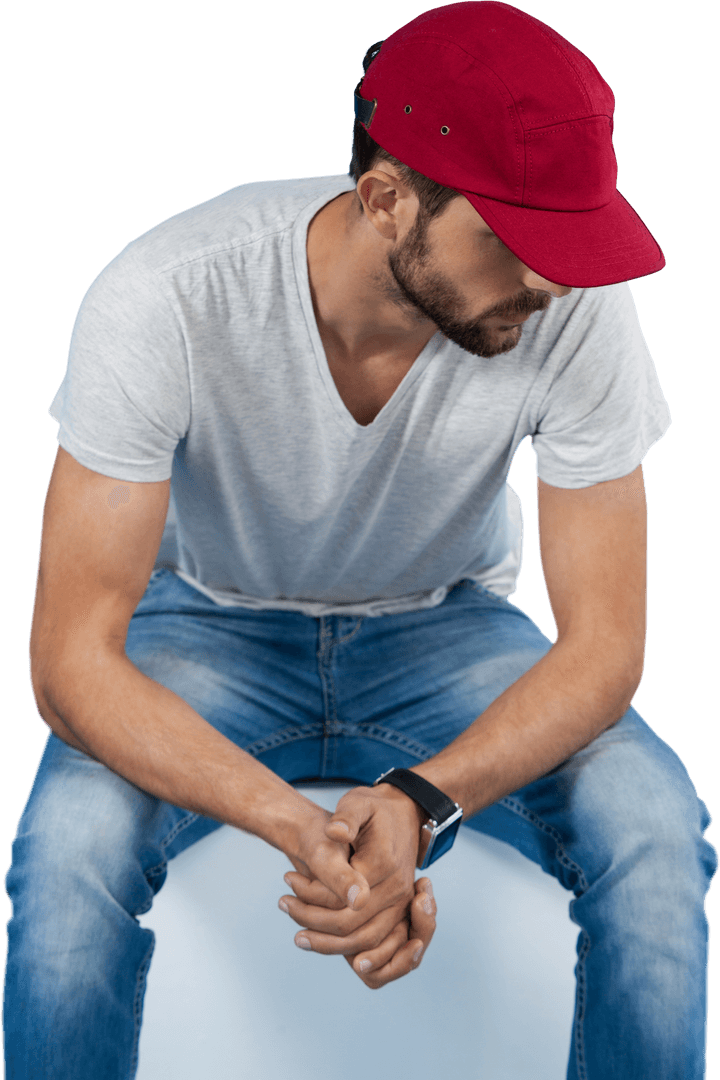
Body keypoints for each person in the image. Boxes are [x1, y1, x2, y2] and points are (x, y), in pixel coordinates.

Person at [3, 2, 716, 1077]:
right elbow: (68, 665)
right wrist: (297, 827)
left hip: (445, 628)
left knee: (659, 829)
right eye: (519, 238)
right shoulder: (165, 298)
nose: (553, 280)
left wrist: (423, 802)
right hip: (212, 624)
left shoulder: (575, 308)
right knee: (68, 853)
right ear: (388, 199)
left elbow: (606, 647)